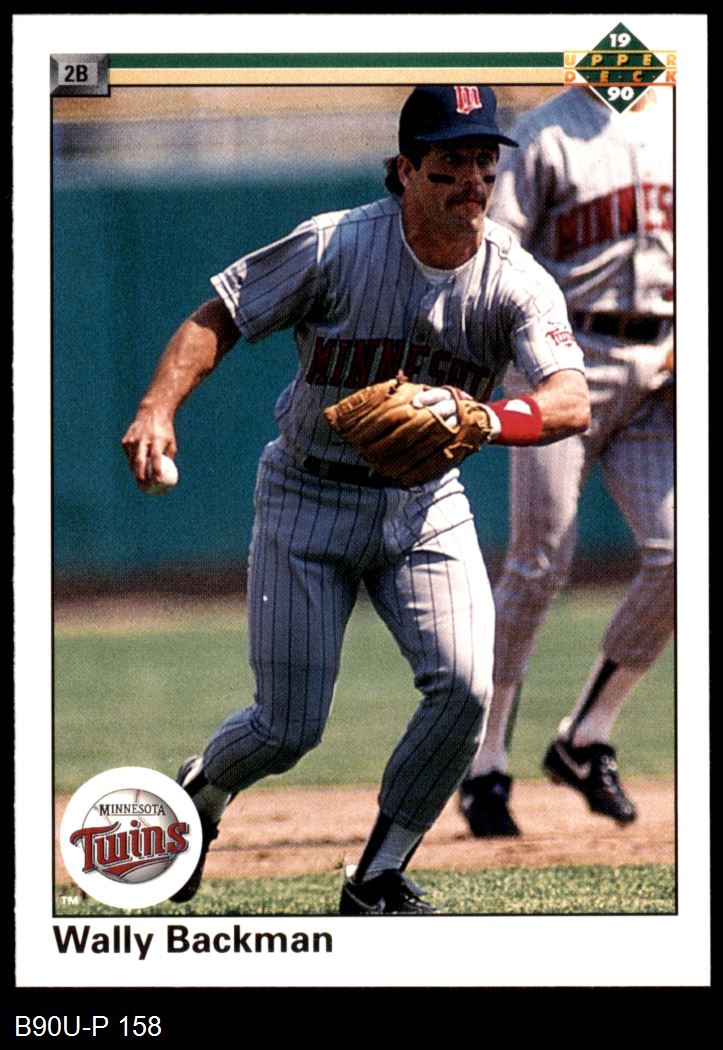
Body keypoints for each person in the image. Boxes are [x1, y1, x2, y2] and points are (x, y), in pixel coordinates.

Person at [122, 84, 590, 914]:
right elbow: (219, 314)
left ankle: (377, 876)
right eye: (449, 162)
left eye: (484, 161)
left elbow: (569, 400)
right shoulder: (335, 244)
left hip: (424, 502)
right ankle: (203, 791)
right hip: (308, 492)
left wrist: (485, 416)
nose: (471, 180)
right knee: (286, 728)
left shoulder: (514, 277)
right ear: (403, 170)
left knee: (465, 688)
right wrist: (158, 407)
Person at [458, 85, 674, 838]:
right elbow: (494, 251)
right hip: (564, 361)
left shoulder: (685, 122)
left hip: (662, 364)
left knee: (681, 554)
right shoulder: (547, 133)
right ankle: (482, 759)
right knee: (538, 561)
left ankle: (585, 736)